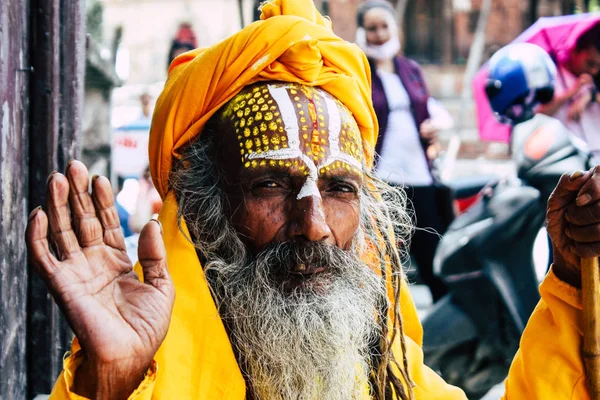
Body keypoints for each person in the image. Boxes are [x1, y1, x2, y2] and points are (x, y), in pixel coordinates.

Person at [23, 0, 600, 398]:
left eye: (339, 188)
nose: (315, 226)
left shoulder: (385, 370)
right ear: (204, 210)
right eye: (271, 185)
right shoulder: (138, 370)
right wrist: (109, 385)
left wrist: (575, 286)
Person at [355, 0, 451, 302]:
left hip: (420, 175)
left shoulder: (410, 70)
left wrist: (434, 127)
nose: (380, 34)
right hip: (381, 178)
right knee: (382, 259)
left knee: (433, 254)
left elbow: (429, 109)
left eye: (384, 26)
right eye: (372, 28)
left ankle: (445, 330)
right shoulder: (359, 73)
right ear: (362, 32)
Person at [538, 22, 600, 162]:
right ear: (574, 51)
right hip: (565, 160)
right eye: (590, 63)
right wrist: (570, 94)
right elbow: (538, 115)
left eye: (598, 66)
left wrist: (591, 96)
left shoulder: (594, 80)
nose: (593, 71)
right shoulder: (550, 77)